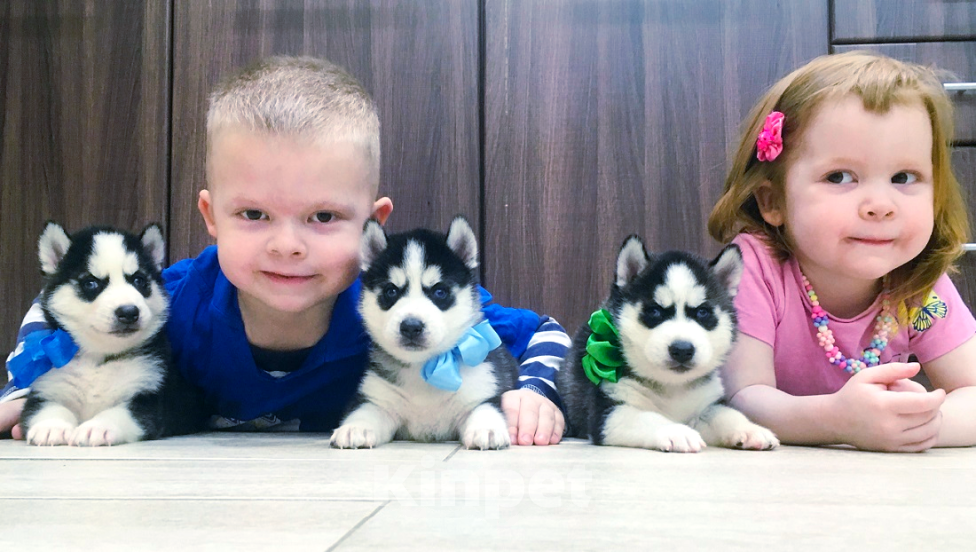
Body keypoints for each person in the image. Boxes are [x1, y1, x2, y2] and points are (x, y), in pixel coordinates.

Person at [1, 56, 569, 446]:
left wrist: (535, 392)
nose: (287, 245)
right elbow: (54, 305)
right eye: (253, 215)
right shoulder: (177, 300)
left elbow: (544, 331)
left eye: (323, 217)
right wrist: (24, 388)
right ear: (211, 218)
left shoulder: (400, 305)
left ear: (373, 229)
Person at [708, 51, 976, 452]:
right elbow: (743, 398)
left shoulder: (919, 285)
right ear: (772, 201)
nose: (880, 204)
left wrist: (926, 425)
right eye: (840, 177)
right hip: (765, 483)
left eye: (904, 177)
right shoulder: (756, 268)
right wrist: (840, 420)